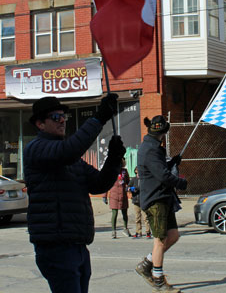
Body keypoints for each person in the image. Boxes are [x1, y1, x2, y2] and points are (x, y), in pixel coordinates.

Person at [23, 94, 125, 293]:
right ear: (40, 124)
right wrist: (98, 118)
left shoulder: (70, 159)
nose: (62, 120)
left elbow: (98, 184)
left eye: (63, 116)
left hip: (77, 245)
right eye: (55, 117)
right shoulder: (36, 149)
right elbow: (69, 150)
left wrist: (113, 160)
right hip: (55, 246)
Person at [136, 115, 187, 293]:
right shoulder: (150, 149)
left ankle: (146, 264)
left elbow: (159, 169)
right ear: (164, 132)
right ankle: (158, 280)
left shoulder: (154, 147)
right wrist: (180, 182)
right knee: (160, 240)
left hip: (163, 197)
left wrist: (172, 162)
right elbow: (162, 175)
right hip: (155, 199)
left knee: (173, 236)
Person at [103, 158, 131, 238]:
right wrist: (104, 196)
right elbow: (106, 184)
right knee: (114, 214)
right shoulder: (111, 172)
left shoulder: (124, 172)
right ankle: (113, 231)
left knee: (125, 213)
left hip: (123, 196)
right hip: (114, 196)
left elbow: (129, 183)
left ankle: (125, 228)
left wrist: (132, 190)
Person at [129, 166, 152, 238]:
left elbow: (145, 188)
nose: (138, 171)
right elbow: (127, 187)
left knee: (145, 217)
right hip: (136, 200)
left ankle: (148, 232)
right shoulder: (133, 179)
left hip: (143, 200)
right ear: (135, 171)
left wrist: (136, 188)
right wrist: (130, 188)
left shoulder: (144, 179)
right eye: (136, 170)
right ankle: (138, 232)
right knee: (137, 218)